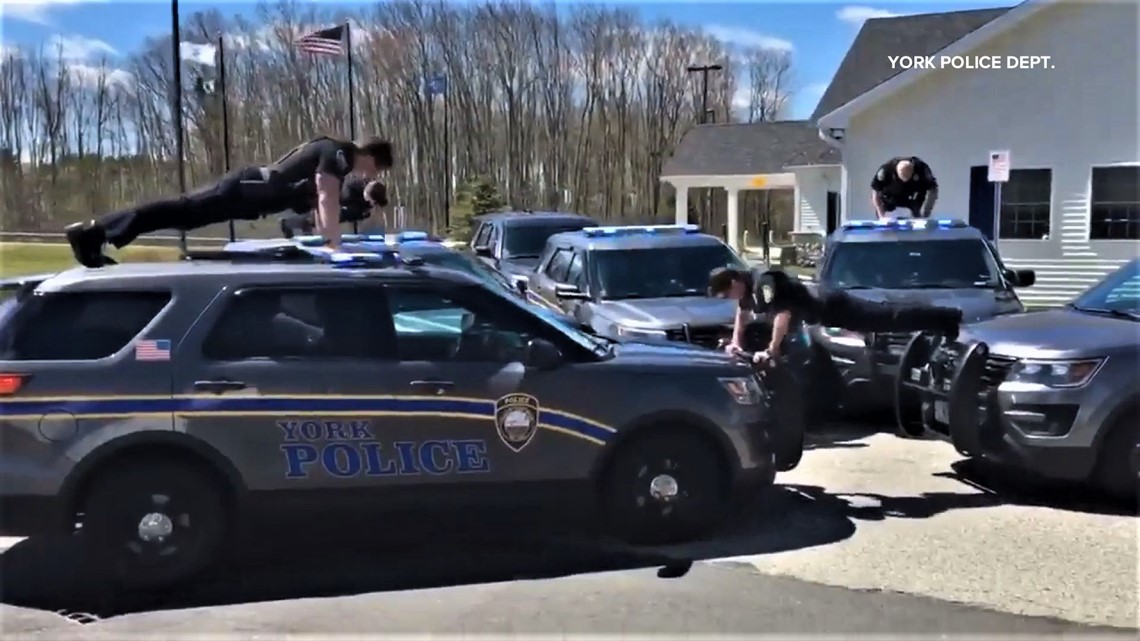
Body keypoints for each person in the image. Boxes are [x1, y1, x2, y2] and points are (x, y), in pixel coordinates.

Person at [65, 136, 393, 267]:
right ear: (372, 158)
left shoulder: (339, 157)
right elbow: (326, 195)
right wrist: (334, 244)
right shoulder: (340, 154)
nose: (368, 175)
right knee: (184, 209)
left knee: (185, 217)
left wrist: (325, 238)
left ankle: (101, 236)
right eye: (375, 169)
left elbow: (322, 204)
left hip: (247, 197)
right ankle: (91, 232)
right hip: (245, 188)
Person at [708, 266, 962, 365]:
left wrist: (772, 349)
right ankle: (940, 321)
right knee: (885, 319)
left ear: (734, 281)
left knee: (888, 319)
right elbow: (742, 313)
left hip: (833, 306)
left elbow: (782, 315)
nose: (730, 299)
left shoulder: (764, 283)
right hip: (826, 314)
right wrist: (736, 343)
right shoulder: (746, 291)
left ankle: (947, 317)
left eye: (727, 293)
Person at [279, 176, 388, 239]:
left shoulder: (371, 191)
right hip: (333, 201)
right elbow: (344, 197)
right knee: (313, 218)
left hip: (338, 206)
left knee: (313, 219)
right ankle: (287, 223)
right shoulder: (353, 185)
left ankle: (299, 224)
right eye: (369, 198)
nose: (369, 202)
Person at [871, 157, 938, 219]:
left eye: (908, 176)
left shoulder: (922, 169)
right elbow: (875, 193)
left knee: (918, 216)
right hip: (890, 198)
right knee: (885, 213)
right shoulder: (885, 171)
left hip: (913, 197)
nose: (905, 180)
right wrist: (881, 216)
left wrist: (926, 213)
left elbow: (933, 190)